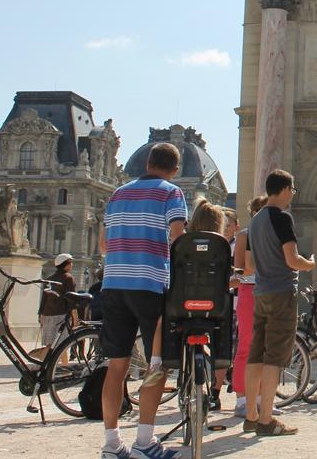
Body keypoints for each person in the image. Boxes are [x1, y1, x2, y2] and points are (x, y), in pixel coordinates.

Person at [98, 143, 187, 459]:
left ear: (147, 163)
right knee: (156, 364)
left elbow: (104, 245)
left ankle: (111, 445)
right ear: (174, 169)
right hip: (149, 284)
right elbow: (178, 238)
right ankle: (145, 443)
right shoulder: (171, 193)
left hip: (113, 284)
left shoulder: (118, 194)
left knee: (116, 366)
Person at [244, 170, 314, 436]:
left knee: (256, 355)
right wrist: (310, 263)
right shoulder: (281, 217)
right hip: (282, 292)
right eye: (292, 191)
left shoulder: (255, 220)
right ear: (285, 189)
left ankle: (250, 415)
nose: (292, 196)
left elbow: (249, 266)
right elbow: (292, 259)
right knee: (274, 357)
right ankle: (266, 420)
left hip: (260, 293)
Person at [187, 200, 229, 411]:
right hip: (213, 308)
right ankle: (216, 390)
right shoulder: (220, 245)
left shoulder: (182, 242)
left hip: (184, 307)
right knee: (223, 336)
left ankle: (163, 363)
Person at [231, 196, 267, 419]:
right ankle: (242, 399)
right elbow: (239, 270)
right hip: (250, 291)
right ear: (255, 212)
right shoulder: (244, 235)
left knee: (265, 349)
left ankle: (263, 398)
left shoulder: (273, 237)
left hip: (270, 292)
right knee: (246, 347)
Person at [38, 253, 77, 354]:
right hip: (61, 314)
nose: (72, 265)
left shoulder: (49, 278)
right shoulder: (68, 278)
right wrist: (75, 318)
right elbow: (72, 299)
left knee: (49, 345)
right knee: (61, 346)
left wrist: (41, 314)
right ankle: (64, 368)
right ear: (66, 264)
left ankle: (45, 366)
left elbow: (44, 298)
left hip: (47, 314)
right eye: (71, 262)